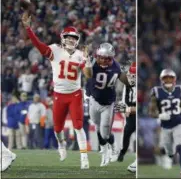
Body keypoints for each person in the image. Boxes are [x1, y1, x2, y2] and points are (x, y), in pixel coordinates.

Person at [21, 11, 90, 169]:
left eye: (74, 38)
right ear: (63, 38)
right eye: (69, 37)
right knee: (57, 129)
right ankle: (61, 144)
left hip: (75, 94)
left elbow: (88, 75)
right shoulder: (55, 50)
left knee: (78, 126)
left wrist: (87, 62)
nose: (72, 40)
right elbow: (39, 46)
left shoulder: (81, 55)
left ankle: (84, 157)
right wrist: (29, 29)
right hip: (59, 94)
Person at [84, 43, 135, 167]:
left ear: (111, 57)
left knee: (105, 133)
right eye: (101, 57)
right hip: (94, 100)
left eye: (106, 58)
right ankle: (104, 152)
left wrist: (130, 74)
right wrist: (87, 62)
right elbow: (88, 75)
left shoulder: (116, 66)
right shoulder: (93, 63)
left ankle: (113, 147)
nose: (103, 60)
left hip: (108, 103)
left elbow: (127, 81)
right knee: (97, 127)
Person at [114, 62, 137, 173]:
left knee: (138, 137)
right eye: (130, 75)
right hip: (131, 115)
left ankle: (137, 161)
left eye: (133, 76)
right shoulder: (127, 85)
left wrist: (131, 109)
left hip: (138, 113)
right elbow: (123, 100)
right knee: (127, 132)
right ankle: (122, 152)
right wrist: (125, 108)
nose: (131, 78)